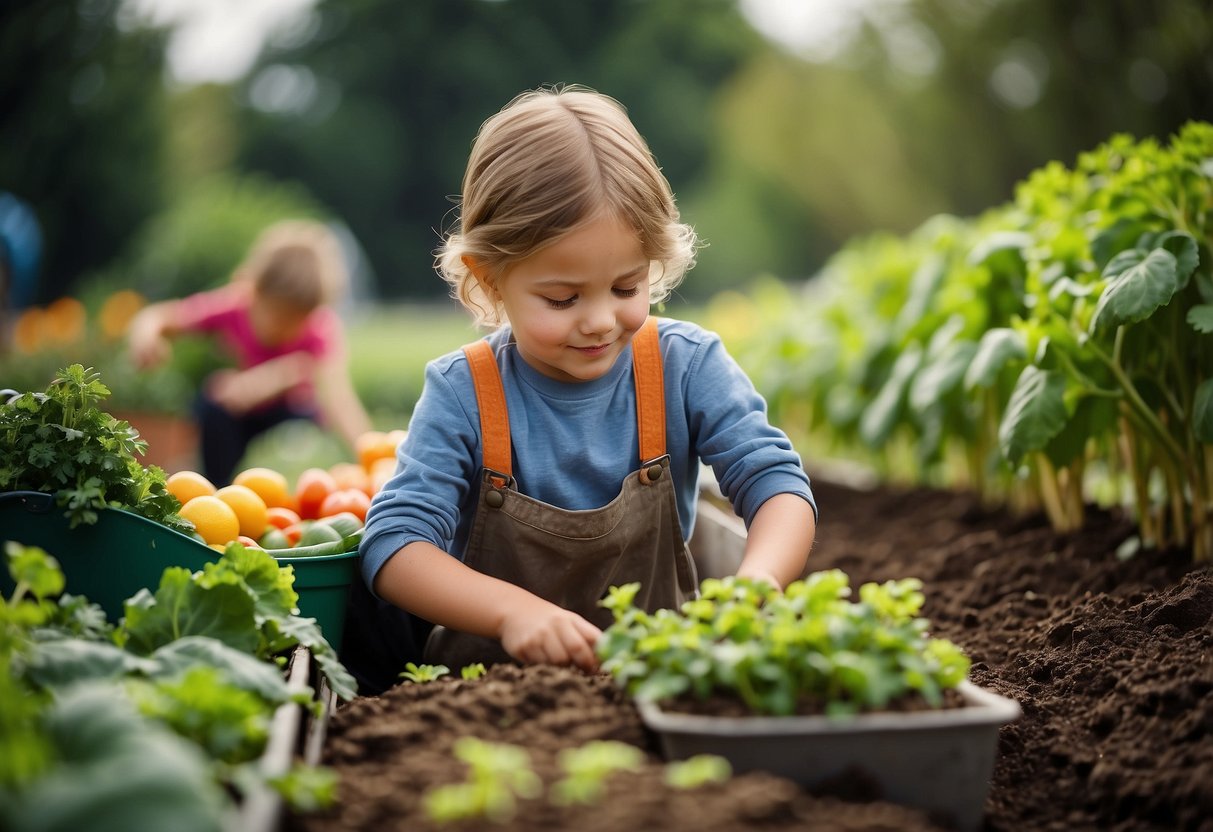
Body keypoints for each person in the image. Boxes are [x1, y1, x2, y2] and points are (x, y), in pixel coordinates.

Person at [348, 85, 817, 694]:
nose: (599, 319)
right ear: (490, 278)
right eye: (563, 298)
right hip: (483, 703)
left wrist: (758, 584)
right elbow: (394, 545)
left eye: (627, 287)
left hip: (656, 691)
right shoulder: (464, 392)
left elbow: (778, 484)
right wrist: (512, 613)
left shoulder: (685, 367)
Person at [128, 219, 372, 485]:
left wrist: (370, 457)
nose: (287, 330)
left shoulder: (319, 330)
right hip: (242, 417)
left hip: (289, 421)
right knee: (214, 404)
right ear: (255, 291)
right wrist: (146, 334)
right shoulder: (235, 306)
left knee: (303, 429)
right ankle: (217, 491)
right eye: (279, 317)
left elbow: (339, 399)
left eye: (298, 320)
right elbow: (161, 317)